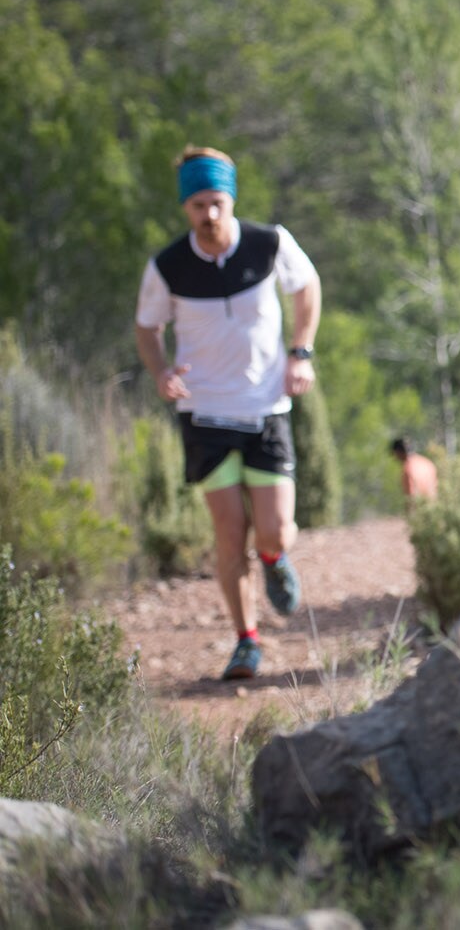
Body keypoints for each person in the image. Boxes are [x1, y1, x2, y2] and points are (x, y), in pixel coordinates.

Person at [135, 146, 322, 681]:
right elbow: (147, 328)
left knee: (275, 530)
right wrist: (160, 371)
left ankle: (274, 560)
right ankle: (246, 642)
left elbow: (307, 287)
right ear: (185, 209)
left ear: (231, 198)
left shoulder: (269, 244)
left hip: (265, 410)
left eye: (216, 202)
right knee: (228, 532)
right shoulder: (167, 267)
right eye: (197, 206)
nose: (209, 215)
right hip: (205, 414)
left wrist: (301, 350)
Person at [390, 436, 439, 507]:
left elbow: (411, 496)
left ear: (398, 452)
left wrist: (411, 515)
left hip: (420, 510)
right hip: (434, 509)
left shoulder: (408, 468)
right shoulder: (428, 463)